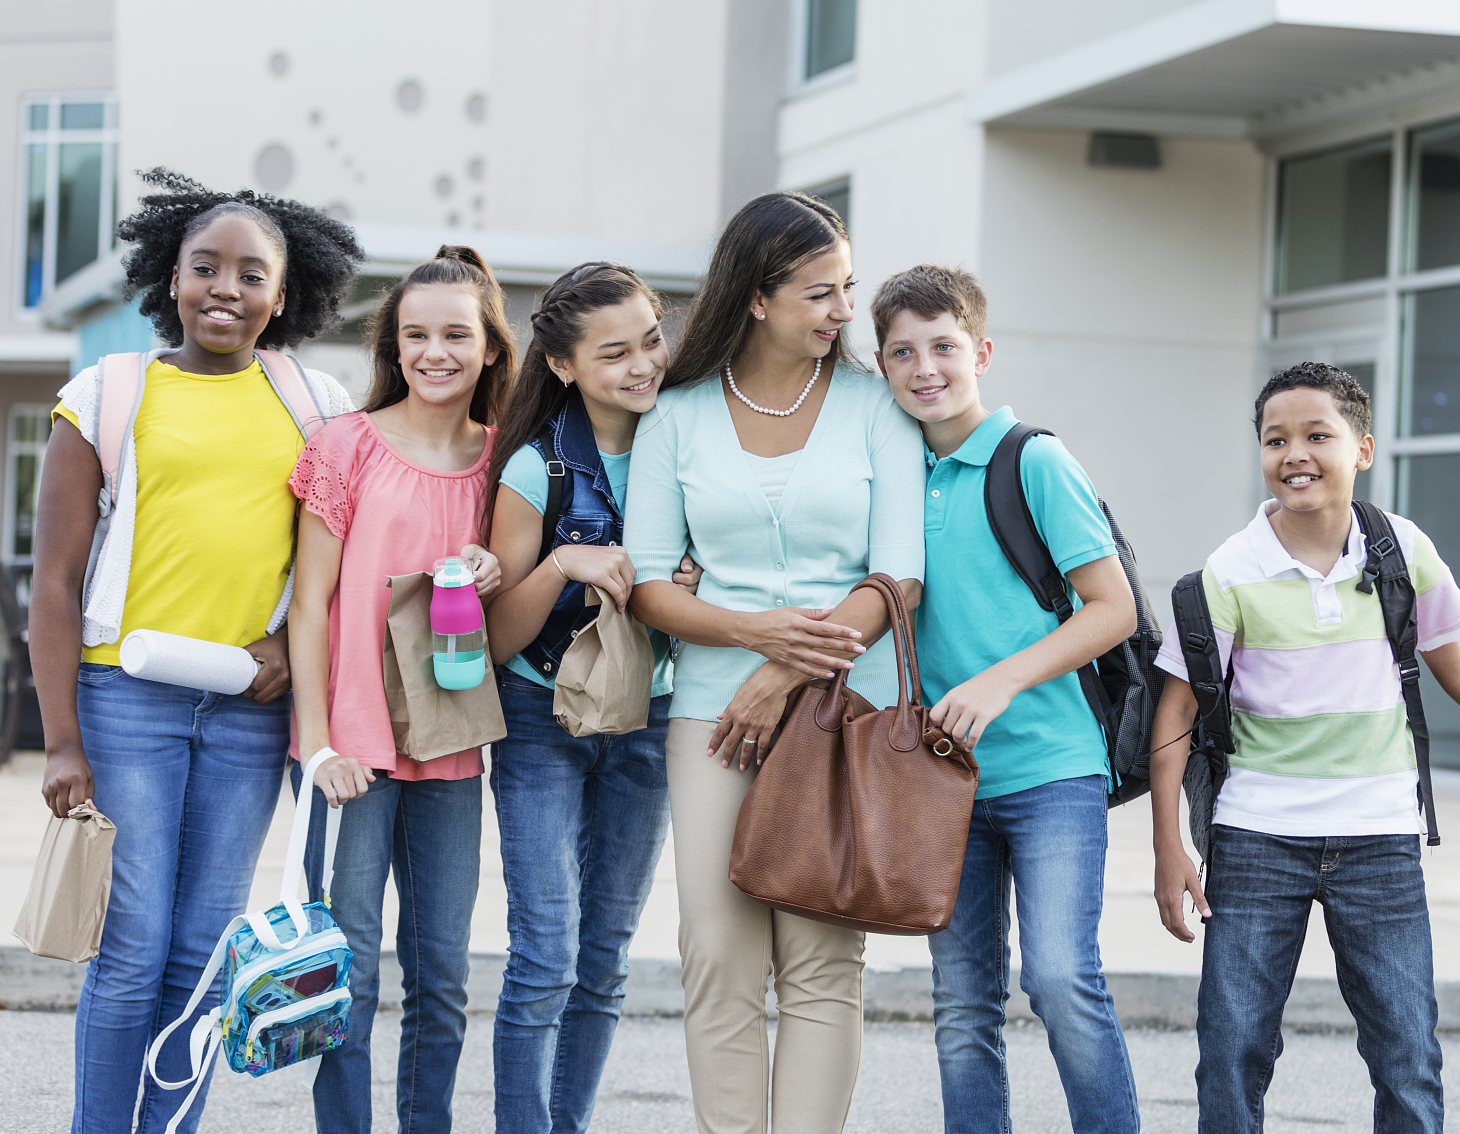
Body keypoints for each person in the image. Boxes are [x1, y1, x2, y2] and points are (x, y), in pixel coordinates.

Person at [1148, 363, 1460, 1134]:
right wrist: (1169, 848)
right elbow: (1176, 712)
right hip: (1256, 838)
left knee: (1406, 1053)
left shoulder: (1401, 550)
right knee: (1232, 1049)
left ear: (1364, 449)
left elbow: (1455, 664)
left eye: (1318, 435)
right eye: (1276, 439)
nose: (1295, 453)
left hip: (1381, 838)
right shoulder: (1230, 572)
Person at [28, 169, 360, 1134]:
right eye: (205, 267)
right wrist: (61, 740)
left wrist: (289, 642)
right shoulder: (108, 393)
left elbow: (339, 560)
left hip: (249, 707)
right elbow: (54, 582)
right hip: (125, 701)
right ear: (170, 278)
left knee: (203, 954)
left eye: (252, 275)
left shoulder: (317, 403)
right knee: (131, 949)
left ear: (283, 296)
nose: (226, 289)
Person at [623, 191, 926, 1134]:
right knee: (718, 955)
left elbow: (898, 579)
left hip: (846, 713)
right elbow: (647, 586)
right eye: (819, 293)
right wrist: (755, 637)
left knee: (823, 962)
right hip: (713, 718)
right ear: (756, 297)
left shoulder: (877, 406)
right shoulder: (676, 416)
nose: (844, 311)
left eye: (848, 288)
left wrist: (784, 670)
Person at [870, 264, 1141, 1134]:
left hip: (1051, 768)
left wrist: (1001, 679)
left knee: (1060, 978)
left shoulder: (1034, 459)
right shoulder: (892, 472)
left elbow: (1114, 609)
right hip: (943, 782)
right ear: (880, 366)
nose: (925, 368)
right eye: (902, 352)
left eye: (944, 347)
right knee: (962, 1003)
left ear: (981, 352)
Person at [286, 245, 511, 1134]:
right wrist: (318, 745)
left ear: (489, 348)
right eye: (416, 335)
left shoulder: (505, 461)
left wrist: (498, 567)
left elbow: (517, 594)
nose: (434, 352)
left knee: (442, 977)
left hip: (449, 747)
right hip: (351, 751)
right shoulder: (345, 446)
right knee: (345, 973)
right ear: (394, 345)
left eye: (455, 335)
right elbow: (309, 606)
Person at [481, 262, 698, 1134]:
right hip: (542, 720)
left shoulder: (688, 446)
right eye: (614, 353)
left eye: (651, 341)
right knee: (546, 959)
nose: (643, 365)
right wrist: (561, 565)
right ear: (563, 365)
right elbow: (497, 639)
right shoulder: (535, 468)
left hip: (652, 717)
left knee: (603, 962)